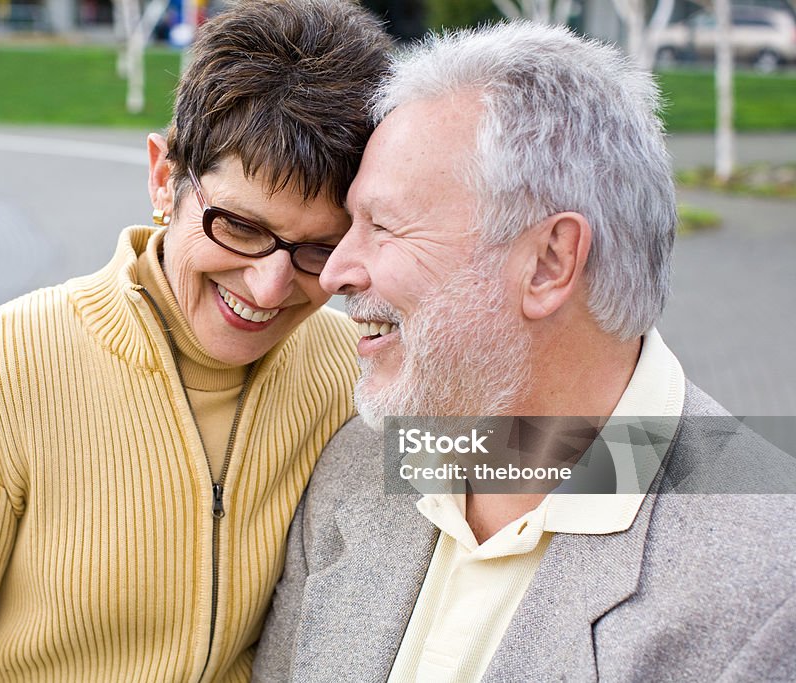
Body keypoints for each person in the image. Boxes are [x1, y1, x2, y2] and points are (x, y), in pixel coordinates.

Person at [253, 21, 796, 682]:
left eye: (383, 226)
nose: (334, 272)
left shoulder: (771, 588)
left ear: (548, 262)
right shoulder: (358, 469)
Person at [0, 1, 390, 680]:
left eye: (317, 249)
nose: (269, 289)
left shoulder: (345, 367)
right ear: (163, 175)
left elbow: (538, 462)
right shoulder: (4, 364)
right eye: (237, 226)